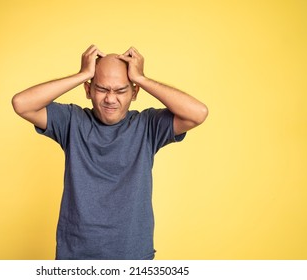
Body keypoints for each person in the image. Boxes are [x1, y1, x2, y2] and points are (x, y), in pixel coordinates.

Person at [12, 45, 208, 260]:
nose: (110, 99)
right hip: (76, 256)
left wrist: (141, 78)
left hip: (132, 256)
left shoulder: (147, 126)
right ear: (88, 90)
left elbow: (197, 113)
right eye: (102, 89)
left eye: (121, 90)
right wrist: (82, 74)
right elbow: (22, 104)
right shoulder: (71, 121)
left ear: (134, 93)